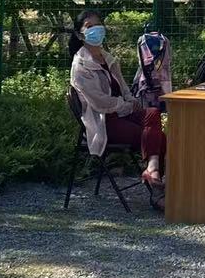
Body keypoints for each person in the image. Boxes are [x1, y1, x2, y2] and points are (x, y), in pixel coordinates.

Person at [68, 10, 167, 189]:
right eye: (89, 26)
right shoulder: (80, 66)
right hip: (104, 122)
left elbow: (123, 88)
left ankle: (152, 170)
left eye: (98, 25)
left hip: (122, 113)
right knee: (159, 137)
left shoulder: (108, 58)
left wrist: (130, 100)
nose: (96, 29)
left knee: (153, 113)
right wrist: (126, 105)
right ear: (79, 34)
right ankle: (157, 188)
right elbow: (100, 102)